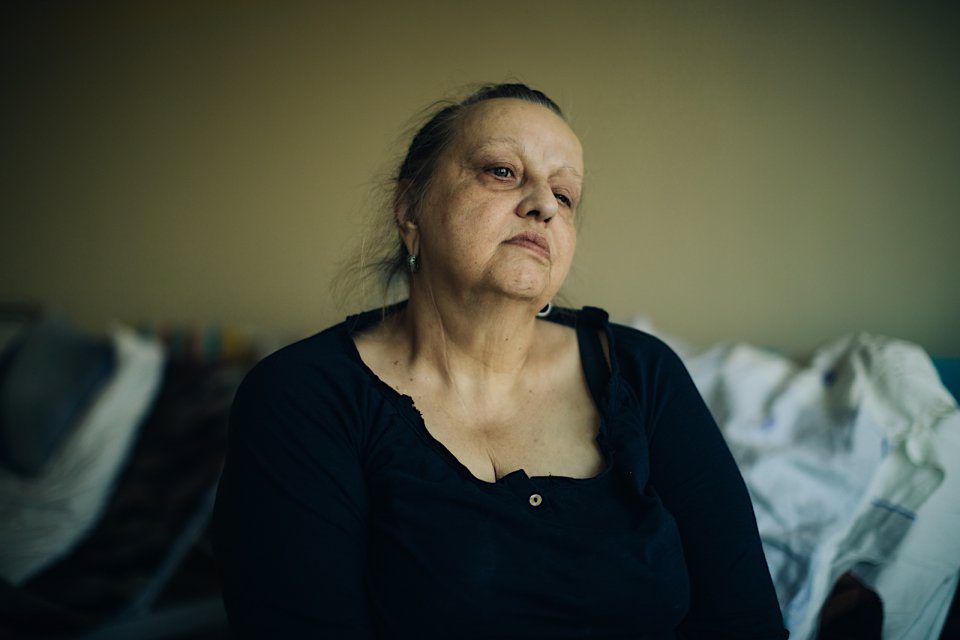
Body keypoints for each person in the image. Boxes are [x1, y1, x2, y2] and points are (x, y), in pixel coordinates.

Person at [212, 83, 788, 639]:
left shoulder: (642, 372)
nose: (543, 205)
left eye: (565, 195)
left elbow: (742, 622)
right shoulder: (302, 397)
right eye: (502, 171)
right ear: (410, 208)